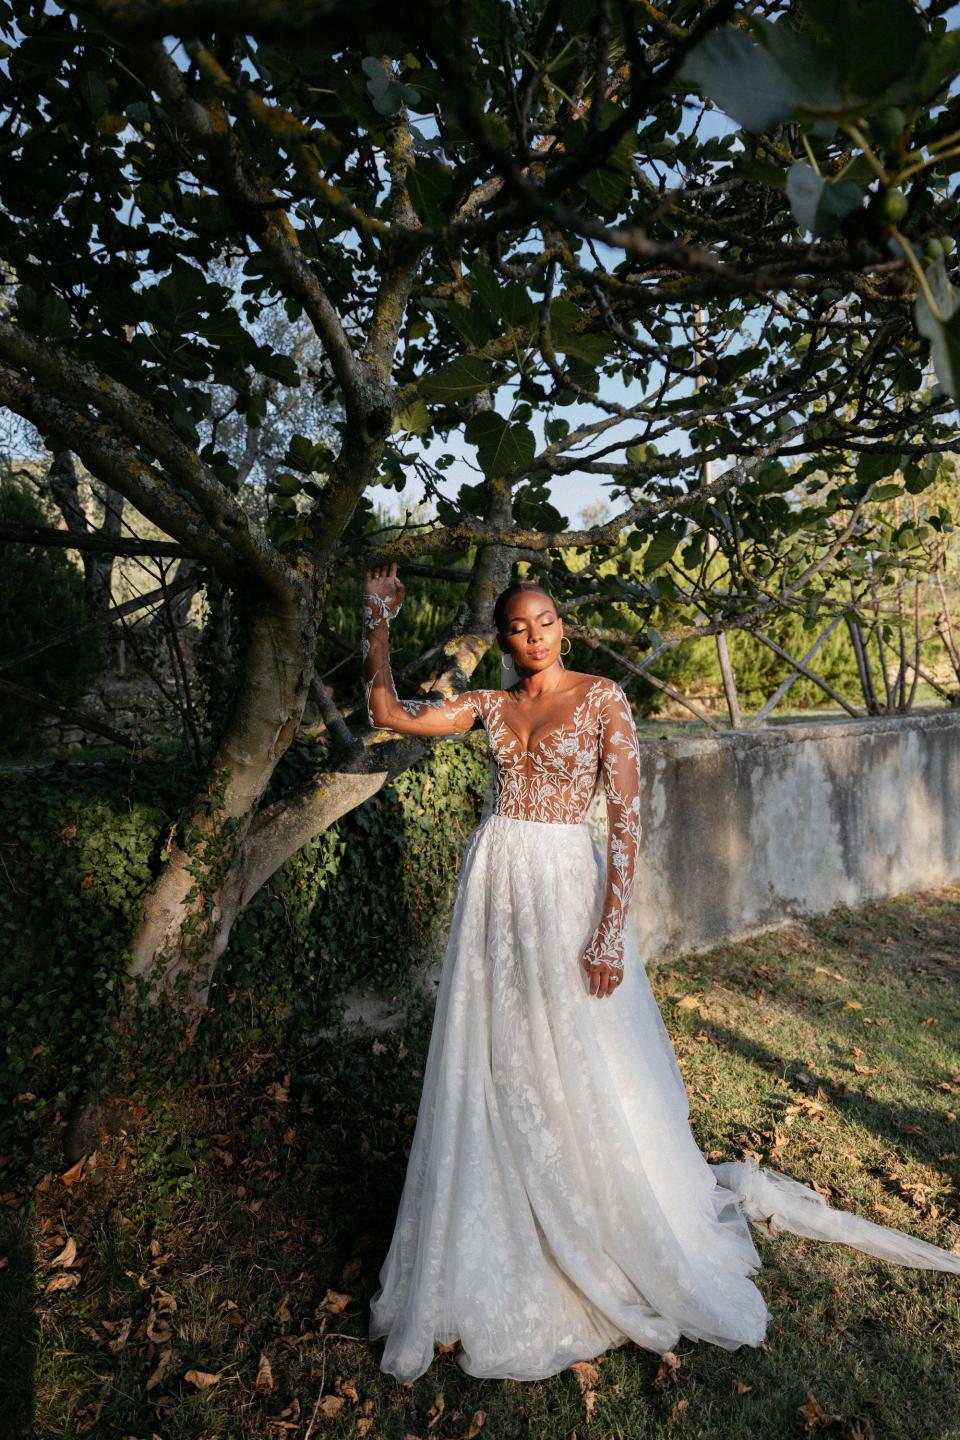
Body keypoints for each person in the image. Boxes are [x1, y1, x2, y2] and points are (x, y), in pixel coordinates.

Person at [362, 561, 960, 1383]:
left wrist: (611, 930)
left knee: (576, 1048)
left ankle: (594, 1202)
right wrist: (379, 623)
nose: (533, 637)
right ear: (503, 639)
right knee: (497, 1046)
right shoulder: (490, 707)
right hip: (497, 878)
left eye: (544, 622)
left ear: (560, 625)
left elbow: (626, 819)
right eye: (517, 627)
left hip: (568, 882)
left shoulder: (604, 697)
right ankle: (500, 1210)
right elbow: (390, 712)